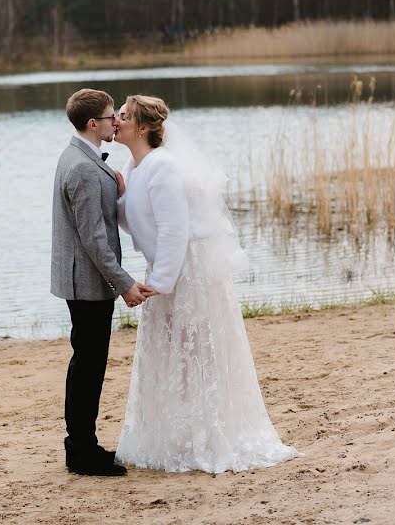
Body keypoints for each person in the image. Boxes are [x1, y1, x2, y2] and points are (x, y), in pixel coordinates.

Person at [112, 94, 299, 474]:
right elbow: (138, 220)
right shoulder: (134, 166)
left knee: (196, 351)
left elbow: (174, 228)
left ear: (144, 128)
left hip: (186, 270)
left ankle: (208, 434)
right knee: (170, 354)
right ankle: (177, 432)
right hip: (165, 268)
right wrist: (118, 196)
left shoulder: (162, 165)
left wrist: (161, 281)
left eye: (125, 115)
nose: (116, 119)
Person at [50, 88, 156, 477]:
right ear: (93, 123)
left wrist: (115, 184)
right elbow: (94, 238)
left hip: (81, 279)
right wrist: (125, 283)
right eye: (112, 117)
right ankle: (81, 451)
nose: (117, 122)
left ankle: (82, 445)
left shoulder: (81, 158)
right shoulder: (81, 168)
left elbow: (91, 217)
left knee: (87, 362)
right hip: (87, 283)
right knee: (88, 365)